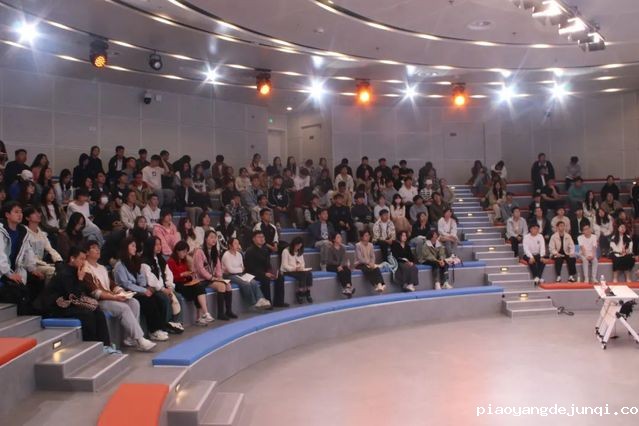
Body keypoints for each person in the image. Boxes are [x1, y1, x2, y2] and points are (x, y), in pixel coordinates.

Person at [82, 240, 156, 351]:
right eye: (93, 248)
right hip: (99, 301)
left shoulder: (101, 268)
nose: (97, 250)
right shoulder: (85, 269)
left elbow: (112, 285)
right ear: (87, 252)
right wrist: (115, 297)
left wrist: (122, 292)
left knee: (134, 302)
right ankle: (140, 339)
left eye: (98, 248)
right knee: (123, 307)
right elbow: (95, 292)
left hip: (110, 297)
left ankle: (129, 338)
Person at [45, 246, 111, 346]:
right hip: (59, 306)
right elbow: (73, 296)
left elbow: (82, 293)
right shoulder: (64, 273)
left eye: (84, 259)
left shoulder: (77, 270)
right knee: (87, 314)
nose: (83, 262)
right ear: (72, 258)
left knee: (98, 311)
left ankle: (105, 345)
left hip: (71, 303)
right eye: (81, 259)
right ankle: (91, 345)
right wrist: (80, 279)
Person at [113, 238, 170, 342]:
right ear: (125, 248)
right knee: (148, 301)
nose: (135, 248)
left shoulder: (135, 261)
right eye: (132, 246)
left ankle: (159, 328)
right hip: (127, 292)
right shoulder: (119, 265)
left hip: (138, 290)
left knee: (158, 298)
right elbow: (126, 284)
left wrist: (144, 288)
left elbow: (141, 277)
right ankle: (153, 331)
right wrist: (143, 291)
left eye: (135, 246)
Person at [0, 201, 43, 314]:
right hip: (3, 272)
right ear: (7, 214)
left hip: (15, 270)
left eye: (21, 212)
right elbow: (0, 255)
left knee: (38, 280)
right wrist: (9, 274)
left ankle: (36, 311)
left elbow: (28, 251)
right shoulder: (1, 231)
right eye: (16, 212)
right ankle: (23, 313)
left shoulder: (23, 231)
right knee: (18, 290)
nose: (20, 215)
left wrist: (32, 268)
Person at [141, 237, 184, 333]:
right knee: (165, 298)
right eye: (156, 244)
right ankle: (166, 324)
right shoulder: (144, 262)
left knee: (178, 296)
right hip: (154, 289)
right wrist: (163, 289)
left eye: (160, 244)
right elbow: (151, 280)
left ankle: (177, 322)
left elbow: (168, 274)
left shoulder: (161, 259)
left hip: (165, 287)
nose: (159, 247)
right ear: (150, 246)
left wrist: (169, 286)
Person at [167, 240, 215, 325]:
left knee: (199, 286)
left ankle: (204, 314)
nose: (185, 254)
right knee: (197, 289)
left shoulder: (183, 261)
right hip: (177, 284)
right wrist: (182, 274)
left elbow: (186, 274)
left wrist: (190, 274)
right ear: (177, 250)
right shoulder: (171, 261)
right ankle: (202, 315)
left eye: (186, 252)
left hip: (185, 283)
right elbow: (172, 277)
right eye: (183, 251)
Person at [191, 231, 236, 320]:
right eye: (211, 237)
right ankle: (220, 313)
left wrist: (219, 277)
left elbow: (218, 267)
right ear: (205, 239)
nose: (214, 239)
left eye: (215, 237)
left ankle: (229, 311)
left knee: (228, 285)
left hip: (210, 278)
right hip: (200, 279)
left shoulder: (214, 251)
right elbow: (200, 269)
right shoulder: (199, 251)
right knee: (221, 286)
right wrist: (212, 278)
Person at [221, 237, 271, 309]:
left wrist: (239, 270)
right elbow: (230, 270)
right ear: (230, 245)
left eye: (238, 243)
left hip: (239, 274)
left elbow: (242, 268)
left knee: (253, 282)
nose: (238, 245)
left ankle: (260, 299)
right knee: (245, 283)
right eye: (235, 243)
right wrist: (239, 270)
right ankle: (253, 303)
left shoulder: (239, 254)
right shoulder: (226, 255)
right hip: (229, 275)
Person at [245, 230, 287, 308]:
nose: (262, 238)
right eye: (259, 237)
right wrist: (264, 273)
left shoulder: (265, 250)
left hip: (264, 272)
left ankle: (279, 302)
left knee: (280, 277)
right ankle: (267, 302)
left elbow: (268, 264)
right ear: (253, 239)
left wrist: (272, 272)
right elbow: (250, 268)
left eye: (263, 237)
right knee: (265, 279)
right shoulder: (250, 251)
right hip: (253, 273)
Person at [24, 206, 62, 283]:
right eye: (34, 213)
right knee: (51, 271)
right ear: (27, 218)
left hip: (41, 263)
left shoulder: (41, 233)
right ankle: (48, 291)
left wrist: (58, 260)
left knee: (62, 269)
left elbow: (50, 248)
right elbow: (27, 254)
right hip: (29, 264)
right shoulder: (24, 232)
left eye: (38, 212)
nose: (38, 215)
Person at [280, 237, 313, 304]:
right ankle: (300, 292)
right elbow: (284, 265)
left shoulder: (299, 251)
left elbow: (303, 263)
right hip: (287, 271)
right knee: (302, 274)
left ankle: (307, 291)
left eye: (300, 246)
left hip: (297, 270)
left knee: (309, 273)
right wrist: (294, 268)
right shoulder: (286, 251)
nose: (298, 248)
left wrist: (301, 267)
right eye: (297, 246)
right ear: (294, 244)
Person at [321, 233, 354, 298]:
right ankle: (346, 287)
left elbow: (344, 259)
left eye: (340, 237)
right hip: (331, 266)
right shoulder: (330, 249)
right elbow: (330, 261)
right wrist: (339, 265)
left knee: (347, 270)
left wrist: (341, 265)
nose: (340, 239)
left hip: (340, 265)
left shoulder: (343, 248)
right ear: (334, 239)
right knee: (341, 271)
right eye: (338, 237)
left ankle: (348, 286)